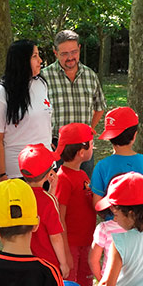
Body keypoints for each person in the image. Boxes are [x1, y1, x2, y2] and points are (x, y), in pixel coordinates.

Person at [41, 29, 106, 178]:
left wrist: (90, 129)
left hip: (84, 146)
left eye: (74, 52)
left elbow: (100, 106)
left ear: (79, 49)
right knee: (56, 192)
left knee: (85, 189)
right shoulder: (44, 77)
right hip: (56, 147)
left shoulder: (90, 75)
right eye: (64, 54)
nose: (70, 57)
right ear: (55, 53)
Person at [0, 40, 52, 180]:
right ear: (21, 60)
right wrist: (1, 175)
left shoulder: (41, 84)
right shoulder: (1, 93)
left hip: (46, 170)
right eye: (34, 56)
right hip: (18, 173)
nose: (40, 60)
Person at [91, 106, 143, 207]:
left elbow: (97, 203)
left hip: (114, 220)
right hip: (142, 220)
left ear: (109, 137)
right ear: (134, 135)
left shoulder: (102, 166)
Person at [54, 122, 96, 286]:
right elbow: (59, 217)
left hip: (87, 241)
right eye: (92, 144)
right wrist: (65, 252)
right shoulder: (63, 179)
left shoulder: (83, 174)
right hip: (71, 244)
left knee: (86, 281)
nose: (94, 147)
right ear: (81, 152)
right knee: (70, 285)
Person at [18, 144, 71, 278]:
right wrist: (63, 263)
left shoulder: (18, 196)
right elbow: (55, 236)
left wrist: (52, 190)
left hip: (24, 261)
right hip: (48, 264)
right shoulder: (48, 201)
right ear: (49, 174)